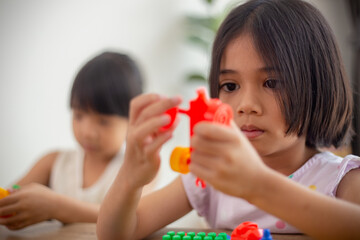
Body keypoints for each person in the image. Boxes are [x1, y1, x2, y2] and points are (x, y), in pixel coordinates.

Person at [96, 1, 360, 239]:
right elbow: (118, 233)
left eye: (272, 82)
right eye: (230, 86)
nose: (246, 106)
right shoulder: (209, 178)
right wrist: (131, 178)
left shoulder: (340, 180)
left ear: (318, 83)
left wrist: (258, 185)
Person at [0, 51, 150, 230]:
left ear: (133, 120)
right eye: (79, 115)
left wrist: (55, 207)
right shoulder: (53, 163)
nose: (87, 132)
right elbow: (9, 199)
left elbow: (134, 216)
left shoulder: (140, 169)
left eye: (104, 121)